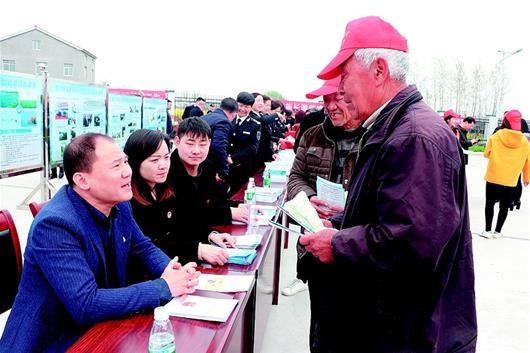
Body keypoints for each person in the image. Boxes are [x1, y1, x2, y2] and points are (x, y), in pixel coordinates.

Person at [299, 16, 477, 352]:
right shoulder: (398, 127)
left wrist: (337, 243)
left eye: (346, 76)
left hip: (406, 336)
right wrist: (342, 220)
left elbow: (412, 243)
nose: (340, 89)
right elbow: (396, 219)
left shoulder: (413, 137)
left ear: (379, 70)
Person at [0, 133, 200, 353]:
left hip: (104, 327)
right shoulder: (55, 225)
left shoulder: (120, 204)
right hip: (54, 341)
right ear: (82, 180)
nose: (128, 171)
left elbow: (142, 247)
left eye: (125, 161)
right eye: (116, 166)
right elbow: (86, 303)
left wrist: (172, 270)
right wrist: (163, 287)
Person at [282, 77, 363, 299]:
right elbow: (296, 177)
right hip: (314, 241)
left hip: (353, 247)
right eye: (326, 99)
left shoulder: (373, 139)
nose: (330, 106)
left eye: (338, 98)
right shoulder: (312, 135)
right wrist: (309, 198)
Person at [124, 129, 236, 266]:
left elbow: (184, 224)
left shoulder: (164, 187)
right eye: (154, 160)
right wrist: (197, 250)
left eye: (166, 157)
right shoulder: (127, 201)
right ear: (135, 162)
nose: (163, 165)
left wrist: (211, 235)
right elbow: (149, 246)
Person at [168, 118, 249, 239]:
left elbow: (216, 201)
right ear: (177, 141)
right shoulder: (167, 173)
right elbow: (187, 216)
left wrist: (239, 206)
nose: (196, 151)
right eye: (190, 144)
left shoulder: (207, 166)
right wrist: (228, 213)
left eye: (203, 144)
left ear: (210, 143)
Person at [482, 109, 530, 238]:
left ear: (505, 121)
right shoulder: (525, 142)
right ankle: (498, 232)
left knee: (490, 204)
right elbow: (527, 162)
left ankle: (487, 231)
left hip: (493, 176)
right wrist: (526, 177)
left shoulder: (496, 136)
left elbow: (486, 154)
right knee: (504, 206)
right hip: (511, 179)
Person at [228, 92, 261, 196]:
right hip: (224, 165)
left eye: (246, 107)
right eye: (240, 105)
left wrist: (233, 158)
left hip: (242, 167)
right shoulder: (228, 120)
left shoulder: (255, 125)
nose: (242, 109)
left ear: (251, 108)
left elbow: (253, 148)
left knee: (237, 195)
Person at [201, 97, 238, 182]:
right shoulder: (223, 122)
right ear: (234, 114)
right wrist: (224, 170)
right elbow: (218, 146)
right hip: (209, 166)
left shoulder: (204, 117)